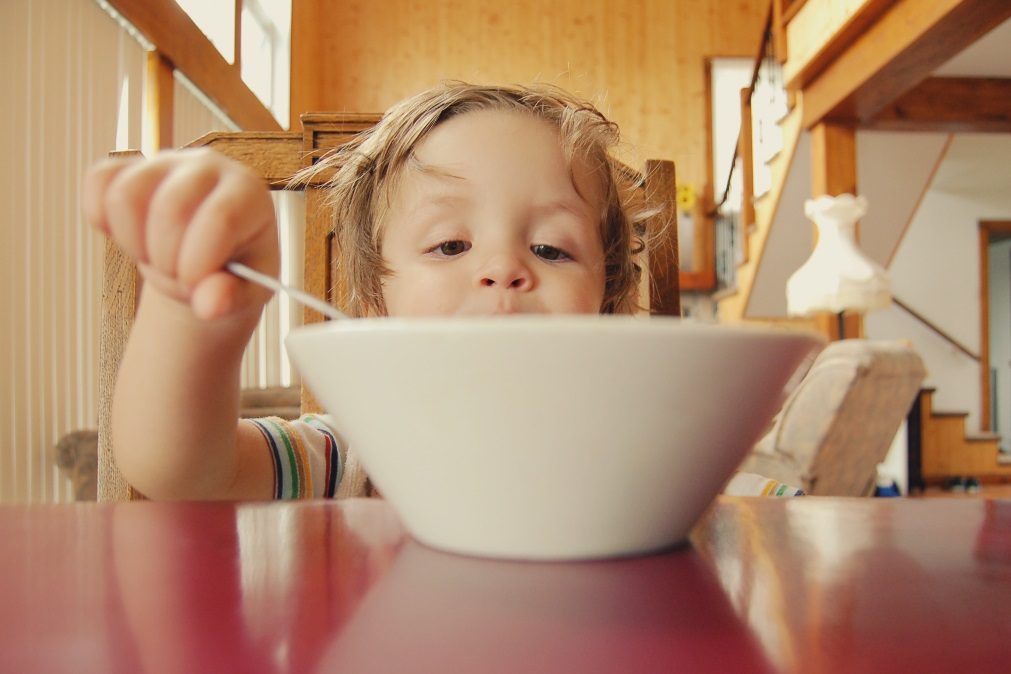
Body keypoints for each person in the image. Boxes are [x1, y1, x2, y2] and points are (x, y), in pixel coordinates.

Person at [84, 81, 799, 501]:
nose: (502, 269)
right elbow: (178, 469)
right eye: (450, 245)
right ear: (373, 306)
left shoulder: (662, 458)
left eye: (550, 248)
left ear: (607, 305)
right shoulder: (352, 456)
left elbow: (781, 512)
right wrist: (194, 311)